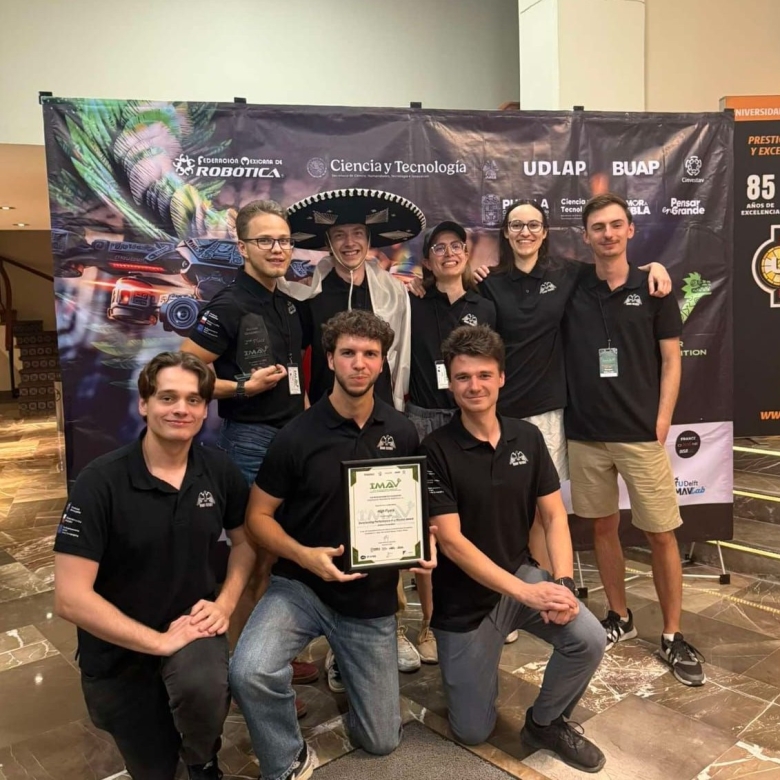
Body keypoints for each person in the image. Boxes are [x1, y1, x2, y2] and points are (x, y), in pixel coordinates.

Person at [229, 310, 433, 780]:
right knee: (249, 670)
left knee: (381, 741)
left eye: (370, 354)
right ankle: (286, 760)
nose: (359, 364)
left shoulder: (402, 431)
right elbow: (257, 517)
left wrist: (422, 543)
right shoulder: (296, 435)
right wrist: (303, 556)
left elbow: (412, 509)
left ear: (382, 363)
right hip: (301, 587)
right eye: (348, 353)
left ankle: (347, 657)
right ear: (329, 360)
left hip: (368, 599)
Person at [53, 351, 256, 780]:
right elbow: (70, 598)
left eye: (193, 400)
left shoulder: (218, 470)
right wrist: (158, 642)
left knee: (204, 695)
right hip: (118, 647)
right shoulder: (100, 482)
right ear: (143, 404)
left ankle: (203, 759)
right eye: (167, 397)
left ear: (205, 410)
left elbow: (245, 545)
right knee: (155, 768)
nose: (181, 409)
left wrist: (224, 603)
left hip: (190, 625)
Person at [419, 325, 606, 774]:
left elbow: (554, 516)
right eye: (463, 377)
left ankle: (545, 723)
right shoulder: (435, 449)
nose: (474, 386)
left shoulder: (527, 437)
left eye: (484, 375)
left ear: (501, 377)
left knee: (589, 639)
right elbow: (452, 542)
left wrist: (563, 584)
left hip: (520, 577)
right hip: (463, 603)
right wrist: (528, 594)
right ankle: (472, 673)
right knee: (472, 730)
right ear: (450, 383)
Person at [477, 199, 671, 586]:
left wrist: (655, 267)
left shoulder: (568, 274)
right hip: (501, 413)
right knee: (505, 511)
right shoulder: (488, 282)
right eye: (517, 225)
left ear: (545, 232)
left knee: (544, 510)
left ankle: (545, 594)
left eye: (534, 225)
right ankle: (507, 593)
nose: (525, 232)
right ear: (506, 234)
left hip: (550, 412)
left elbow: (615, 266)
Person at [563, 192, 705, 687]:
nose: (607, 233)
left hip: (640, 434)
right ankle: (619, 616)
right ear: (585, 236)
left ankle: (672, 634)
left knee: (661, 532)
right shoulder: (573, 283)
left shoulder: (654, 287)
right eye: (597, 227)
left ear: (630, 230)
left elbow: (672, 360)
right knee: (602, 528)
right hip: (585, 434)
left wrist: (662, 421)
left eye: (615, 225)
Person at [282, 187, 427, 672]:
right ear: (328, 241)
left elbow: (400, 355)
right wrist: (305, 408)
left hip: (380, 418)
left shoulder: (393, 293)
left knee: (387, 520)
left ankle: (391, 623)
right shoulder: (307, 293)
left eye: (358, 234)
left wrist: (398, 409)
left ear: (370, 240)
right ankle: (333, 644)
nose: (350, 242)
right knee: (332, 521)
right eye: (340, 234)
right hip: (326, 423)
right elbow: (298, 357)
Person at [405, 219, 496, 663]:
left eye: (456, 245)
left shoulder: (486, 304)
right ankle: (430, 619)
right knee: (428, 527)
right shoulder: (413, 303)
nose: (448, 253)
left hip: (470, 420)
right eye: (438, 248)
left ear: (466, 252)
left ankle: (485, 612)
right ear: (427, 260)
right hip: (423, 420)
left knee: (475, 517)